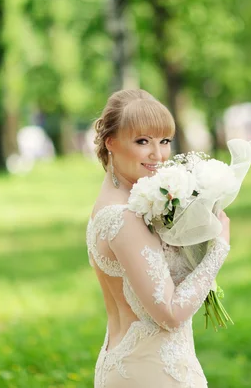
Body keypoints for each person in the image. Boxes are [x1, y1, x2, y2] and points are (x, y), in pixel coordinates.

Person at [87, 89, 231, 388]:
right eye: (142, 141)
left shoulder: (122, 204)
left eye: (164, 141)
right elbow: (169, 314)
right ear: (110, 142)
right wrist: (218, 248)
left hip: (138, 364)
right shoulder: (123, 217)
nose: (158, 154)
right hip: (152, 373)